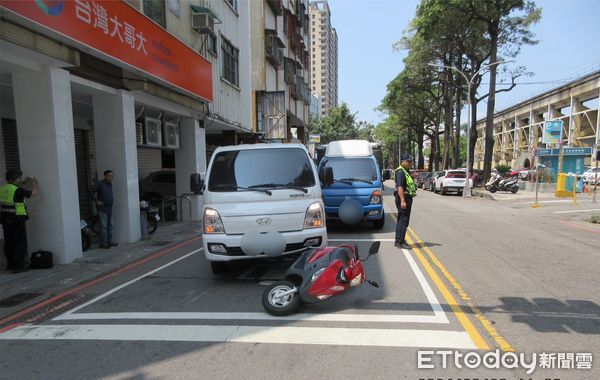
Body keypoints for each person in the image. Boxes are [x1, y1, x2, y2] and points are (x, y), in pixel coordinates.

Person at [0, 169, 38, 273]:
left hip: (5, 220)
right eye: (19, 178)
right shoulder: (18, 190)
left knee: (9, 242)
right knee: (20, 242)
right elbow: (33, 194)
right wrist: (34, 182)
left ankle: (11, 264)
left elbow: (16, 189)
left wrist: (25, 181)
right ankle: (21, 265)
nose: (20, 179)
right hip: (17, 219)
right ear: (14, 179)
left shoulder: (2, 189)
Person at [394, 155, 416, 249]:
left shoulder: (405, 171)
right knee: (403, 221)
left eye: (411, 162)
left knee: (401, 220)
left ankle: (398, 240)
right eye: (409, 162)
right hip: (404, 198)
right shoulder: (401, 172)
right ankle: (401, 242)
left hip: (406, 198)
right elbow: (400, 187)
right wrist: (403, 200)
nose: (410, 163)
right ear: (403, 161)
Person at [91, 170, 117, 249]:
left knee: (110, 226)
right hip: (102, 209)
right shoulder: (100, 183)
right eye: (109, 176)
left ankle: (109, 241)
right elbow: (91, 191)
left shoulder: (110, 184)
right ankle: (103, 243)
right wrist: (96, 201)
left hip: (109, 208)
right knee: (103, 227)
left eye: (112, 176)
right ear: (105, 176)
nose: (111, 177)